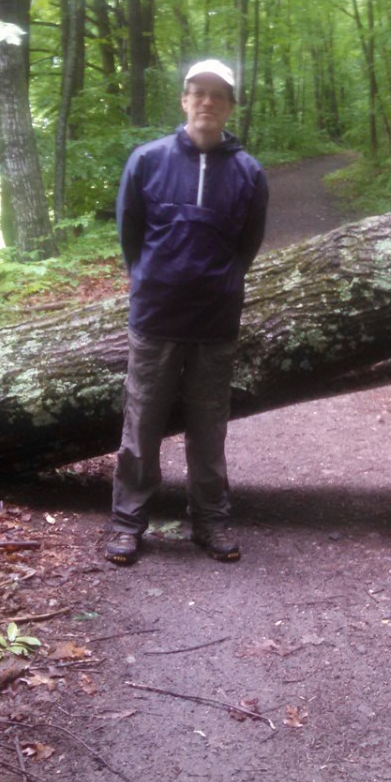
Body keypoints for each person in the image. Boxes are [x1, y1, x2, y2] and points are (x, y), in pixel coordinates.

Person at [105, 58, 268, 566]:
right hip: (154, 317)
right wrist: (152, 276)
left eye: (217, 95)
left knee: (209, 426)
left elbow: (248, 245)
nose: (207, 102)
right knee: (142, 423)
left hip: (215, 320)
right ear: (184, 100)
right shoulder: (148, 161)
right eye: (198, 92)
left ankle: (211, 521)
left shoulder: (247, 173)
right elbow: (130, 234)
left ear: (229, 106)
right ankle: (129, 523)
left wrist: (218, 282)